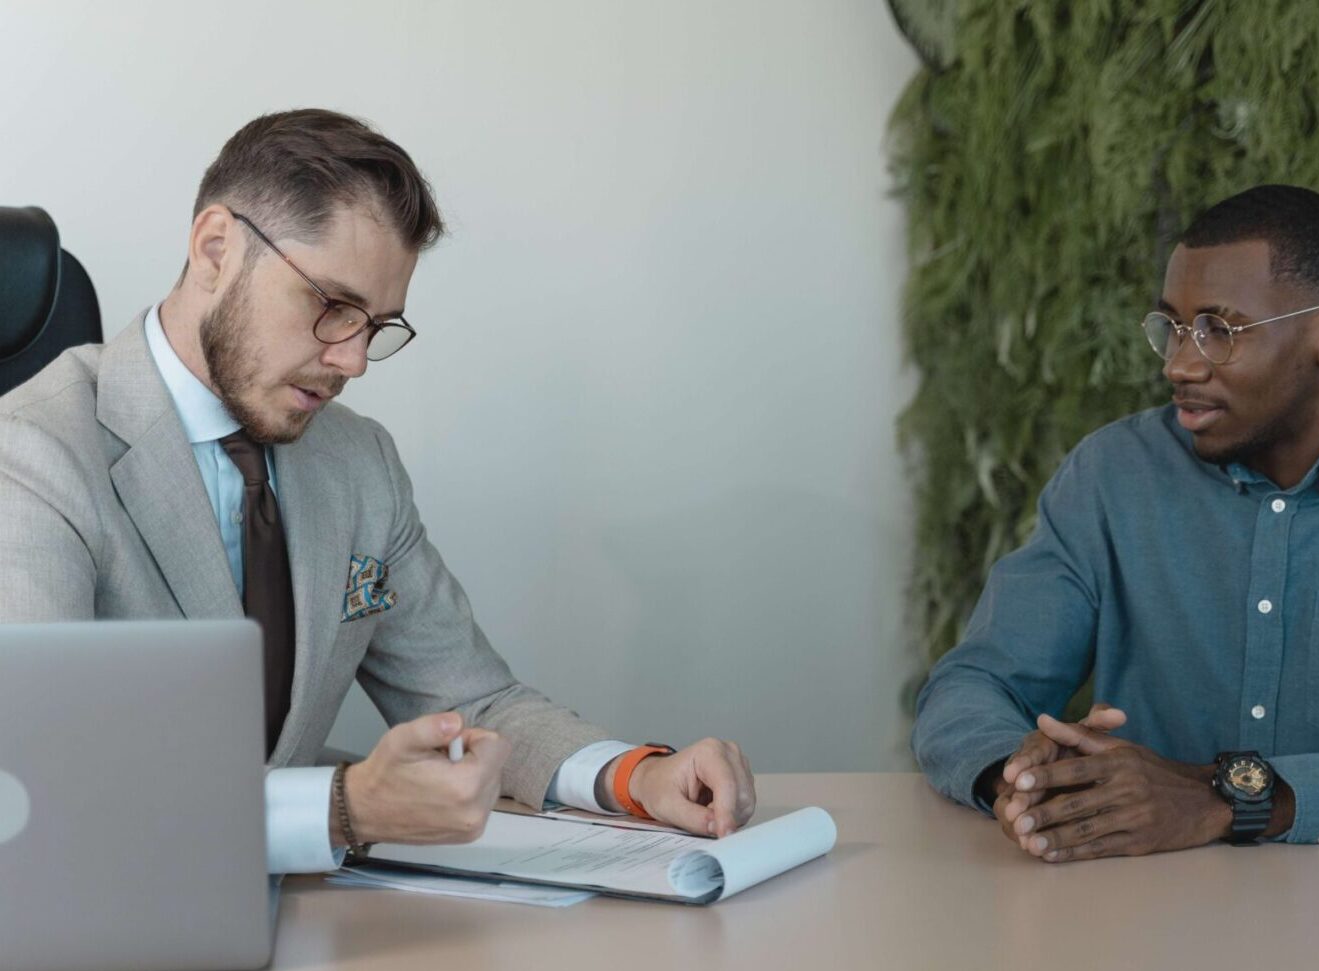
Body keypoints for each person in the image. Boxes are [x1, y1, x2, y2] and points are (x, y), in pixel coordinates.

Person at [0, 109, 755, 873]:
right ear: (216, 249)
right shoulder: (31, 453)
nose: (353, 361)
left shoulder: (357, 461)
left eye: (376, 326)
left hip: (310, 931)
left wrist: (636, 777)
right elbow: (35, 784)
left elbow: (474, 704)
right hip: (109, 937)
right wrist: (345, 809)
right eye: (331, 307)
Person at [913, 184, 1319, 861]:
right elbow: (974, 685)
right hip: (1150, 908)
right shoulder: (1113, 476)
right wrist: (1022, 777)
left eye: (1221, 330)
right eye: (1173, 327)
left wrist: (1225, 797)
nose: (1179, 364)